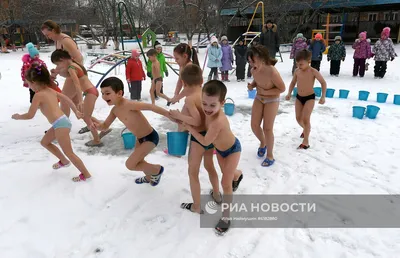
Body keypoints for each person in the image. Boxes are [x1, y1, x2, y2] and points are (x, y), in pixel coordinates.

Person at [11, 64, 92, 182]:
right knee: (45, 142)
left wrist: (18, 117)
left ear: (34, 82)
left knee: (69, 152)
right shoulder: (50, 90)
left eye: (28, 84)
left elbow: (30, 115)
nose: (29, 86)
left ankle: (86, 174)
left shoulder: (38, 96)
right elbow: (66, 98)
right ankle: (63, 161)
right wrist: (75, 111)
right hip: (61, 122)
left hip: (60, 124)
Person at [183, 80, 243, 235]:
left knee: (226, 183)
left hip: (232, 150)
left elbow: (204, 141)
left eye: (212, 105)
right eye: (204, 104)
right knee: (229, 174)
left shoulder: (218, 121)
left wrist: (189, 127)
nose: (207, 109)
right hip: (221, 151)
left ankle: (226, 218)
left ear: (222, 103)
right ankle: (238, 174)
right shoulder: (208, 111)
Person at [94, 77, 170, 185]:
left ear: (119, 93)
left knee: (130, 165)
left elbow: (151, 107)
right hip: (139, 139)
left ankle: (157, 170)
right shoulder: (115, 110)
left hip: (150, 137)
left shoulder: (129, 105)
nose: (104, 96)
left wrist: (169, 115)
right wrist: (97, 127)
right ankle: (149, 178)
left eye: (107, 93)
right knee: (139, 161)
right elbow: (105, 125)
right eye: (102, 93)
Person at [168, 64, 220, 214]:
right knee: (210, 166)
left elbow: (196, 121)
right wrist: (183, 118)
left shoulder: (190, 99)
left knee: (193, 171)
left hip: (198, 139)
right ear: (202, 80)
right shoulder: (205, 95)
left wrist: (178, 116)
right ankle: (216, 194)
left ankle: (197, 206)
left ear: (183, 83)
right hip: (211, 136)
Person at [51, 49, 109, 147]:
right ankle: (103, 128)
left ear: (62, 60)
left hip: (90, 92)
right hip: (91, 91)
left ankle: (97, 140)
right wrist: (57, 72)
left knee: (86, 117)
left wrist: (81, 100)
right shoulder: (75, 64)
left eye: (58, 64)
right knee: (85, 115)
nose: (59, 66)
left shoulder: (71, 68)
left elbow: (77, 85)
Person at [41, 20, 88, 134]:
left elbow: (78, 59)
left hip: (75, 75)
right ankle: (95, 124)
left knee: (64, 99)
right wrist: (57, 71)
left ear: (53, 30)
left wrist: (68, 72)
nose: (48, 37)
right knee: (77, 104)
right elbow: (62, 60)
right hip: (70, 74)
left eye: (48, 34)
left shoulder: (66, 41)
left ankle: (61, 128)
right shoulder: (57, 41)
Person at [247, 45, 286, 167]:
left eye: (253, 61)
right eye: (249, 61)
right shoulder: (254, 70)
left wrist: (266, 92)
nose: (251, 64)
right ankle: (263, 142)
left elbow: (282, 88)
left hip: (272, 100)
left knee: (267, 128)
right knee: (254, 125)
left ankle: (270, 155)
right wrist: (252, 85)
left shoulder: (272, 71)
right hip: (259, 98)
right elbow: (257, 80)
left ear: (262, 59)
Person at [285, 49, 327, 149]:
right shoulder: (297, 71)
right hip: (299, 97)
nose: (299, 66)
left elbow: (323, 83)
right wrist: (289, 93)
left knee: (305, 118)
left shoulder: (313, 71)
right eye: (297, 64)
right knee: (298, 118)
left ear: (309, 62)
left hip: (309, 98)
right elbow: (293, 83)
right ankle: (306, 129)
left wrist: (323, 96)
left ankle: (306, 141)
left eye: (301, 64)